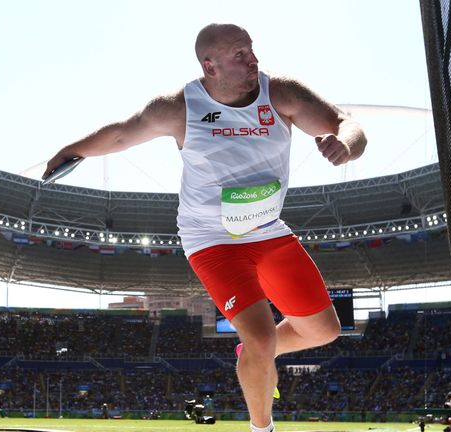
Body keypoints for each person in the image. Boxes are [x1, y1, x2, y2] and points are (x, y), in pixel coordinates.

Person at [43, 23, 367, 432]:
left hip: (267, 230)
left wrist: (346, 145)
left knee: (324, 330)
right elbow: (123, 134)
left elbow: (346, 123)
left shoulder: (280, 92)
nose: (253, 60)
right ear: (209, 66)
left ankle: (249, 352)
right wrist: (72, 150)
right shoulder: (180, 106)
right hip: (212, 240)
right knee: (263, 339)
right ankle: (261, 426)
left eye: (251, 50)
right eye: (239, 55)